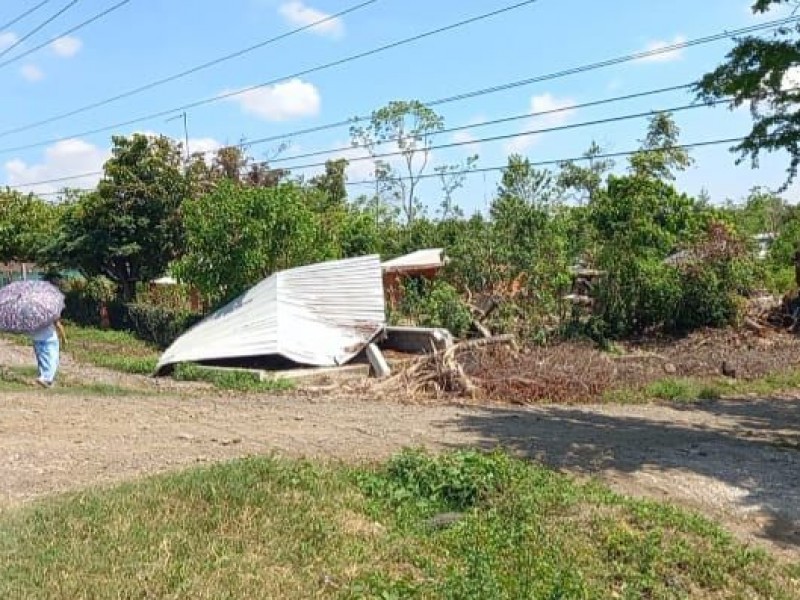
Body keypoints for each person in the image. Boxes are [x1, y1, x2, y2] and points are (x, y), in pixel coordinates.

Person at [30, 318, 66, 388]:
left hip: (37, 339)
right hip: (50, 339)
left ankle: (43, 377)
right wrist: (64, 338)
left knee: (42, 361)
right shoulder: (50, 313)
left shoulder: (34, 315)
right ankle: (46, 379)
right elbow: (58, 325)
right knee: (53, 360)